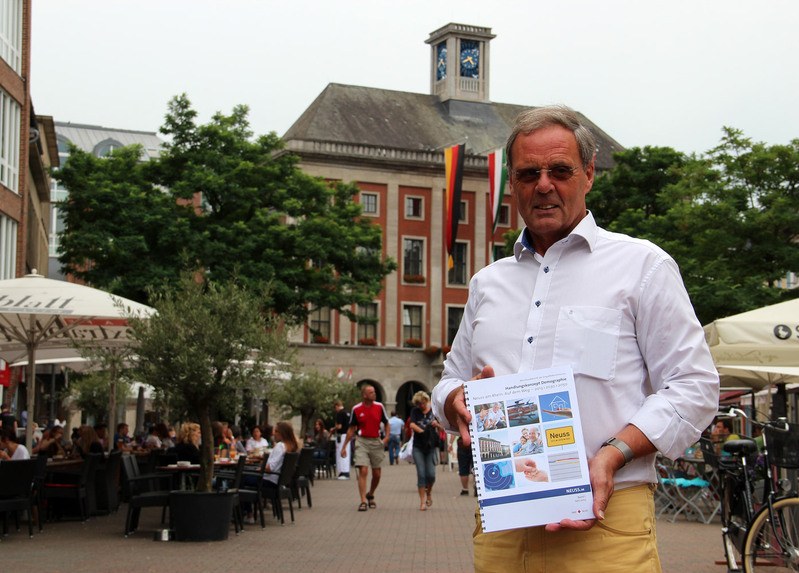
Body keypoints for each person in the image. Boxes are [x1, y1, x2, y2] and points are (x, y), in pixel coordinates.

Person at [432, 105, 719, 571]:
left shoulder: (642, 266)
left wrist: (614, 453)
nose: (543, 184)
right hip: (504, 524)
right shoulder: (488, 283)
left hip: (606, 518)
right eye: (528, 173)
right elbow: (446, 382)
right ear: (513, 183)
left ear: (588, 174)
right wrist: (455, 401)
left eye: (560, 170)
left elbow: (695, 386)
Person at [340, 384, 389, 511]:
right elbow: (351, 429)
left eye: (374, 392)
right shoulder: (356, 409)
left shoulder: (379, 407)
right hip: (361, 441)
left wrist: (386, 438)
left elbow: (387, 423)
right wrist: (344, 446)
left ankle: (370, 493)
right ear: (364, 395)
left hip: (376, 441)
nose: (374, 394)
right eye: (371, 392)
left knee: (377, 474)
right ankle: (363, 501)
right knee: (363, 470)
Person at [409, 390, 440, 511]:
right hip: (418, 447)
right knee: (421, 474)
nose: (420, 406)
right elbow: (412, 425)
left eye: (422, 403)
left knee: (431, 475)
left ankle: (429, 492)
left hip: (431, 446)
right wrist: (422, 431)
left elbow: (443, 427)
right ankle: (422, 502)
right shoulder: (415, 411)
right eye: (418, 404)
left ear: (427, 401)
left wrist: (436, 424)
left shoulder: (434, 411)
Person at [332, 400, 350, 480]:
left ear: (336, 406)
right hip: (348, 435)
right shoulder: (347, 413)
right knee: (347, 452)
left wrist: (333, 428)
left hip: (342, 435)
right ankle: (346, 471)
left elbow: (339, 426)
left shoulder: (340, 413)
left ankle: (343, 472)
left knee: (341, 452)